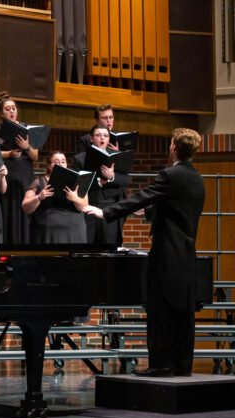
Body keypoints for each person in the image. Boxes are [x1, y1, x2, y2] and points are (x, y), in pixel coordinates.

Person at [83, 128, 205, 377]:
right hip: (186, 255)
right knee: (183, 313)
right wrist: (147, 213)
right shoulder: (196, 178)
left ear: (174, 148)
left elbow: (143, 196)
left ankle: (160, 364)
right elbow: (175, 208)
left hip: (166, 254)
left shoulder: (169, 175)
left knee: (160, 309)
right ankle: (181, 366)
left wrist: (106, 212)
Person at [0, 92, 39, 244]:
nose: (12, 111)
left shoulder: (26, 128)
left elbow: (35, 156)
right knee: (8, 212)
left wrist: (26, 147)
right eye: (8, 108)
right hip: (7, 177)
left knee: (25, 213)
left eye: (14, 108)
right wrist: (9, 154)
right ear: (1, 113)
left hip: (25, 177)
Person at [72, 125, 131, 246]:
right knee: (88, 246)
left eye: (105, 135)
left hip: (110, 207)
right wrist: (98, 182)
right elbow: (77, 183)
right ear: (91, 139)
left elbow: (126, 179)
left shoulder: (117, 156)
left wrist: (112, 176)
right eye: (98, 135)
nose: (102, 138)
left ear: (109, 139)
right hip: (89, 206)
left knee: (109, 246)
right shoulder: (80, 159)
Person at [22, 151, 88, 243]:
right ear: (49, 165)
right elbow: (26, 207)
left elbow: (84, 207)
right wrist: (39, 197)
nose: (60, 164)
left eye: (63, 161)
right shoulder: (39, 182)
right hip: (47, 231)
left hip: (73, 231)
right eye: (56, 162)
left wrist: (75, 198)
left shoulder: (76, 181)